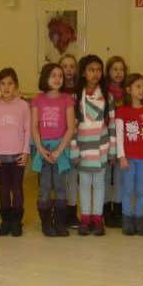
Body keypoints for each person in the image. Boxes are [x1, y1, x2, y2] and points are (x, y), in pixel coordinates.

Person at [71, 55, 117, 236]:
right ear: (83, 72)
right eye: (91, 70)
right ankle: (85, 218)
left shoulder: (108, 96)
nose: (95, 73)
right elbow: (72, 127)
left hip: (101, 147)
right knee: (83, 184)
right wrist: (74, 150)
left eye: (98, 70)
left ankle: (97, 219)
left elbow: (112, 124)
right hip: (82, 147)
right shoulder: (75, 97)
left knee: (99, 185)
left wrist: (113, 150)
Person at [32, 63, 76, 236]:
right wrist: (40, 149)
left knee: (60, 185)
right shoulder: (38, 99)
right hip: (43, 149)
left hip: (60, 150)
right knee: (44, 186)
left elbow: (71, 128)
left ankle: (59, 222)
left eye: (60, 75)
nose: (57, 79)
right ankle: (46, 223)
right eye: (53, 75)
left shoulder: (66, 99)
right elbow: (34, 126)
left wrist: (58, 151)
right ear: (45, 78)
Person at [0, 67, 31, 237]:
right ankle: (5, 220)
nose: (6, 87)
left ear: (16, 86)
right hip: (0, 156)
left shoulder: (23, 106)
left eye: (10, 83)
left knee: (17, 188)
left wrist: (26, 151)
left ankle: (16, 221)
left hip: (18, 156)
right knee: (4, 189)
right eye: (3, 84)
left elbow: (28, 130)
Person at [116, 73, 143, 236]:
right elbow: (119, 136)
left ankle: (139, 218)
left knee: (141, 190)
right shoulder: (122, 111)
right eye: (138, 86)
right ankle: (127, 219)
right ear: (128, 89)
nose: (142, 90)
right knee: (127, 190)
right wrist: (121, 156)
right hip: (129, 159)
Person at [103, 55, 128, 228]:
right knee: (105, 176)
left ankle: (118, 210)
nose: (118, 73)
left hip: (123, 141)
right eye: (114, 69)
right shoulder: (103, 92)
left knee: (120, 176)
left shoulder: (128, 92)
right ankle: (105, 210)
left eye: (121, 69)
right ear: (108, 72)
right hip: (104, 140)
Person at [59, 53, 81, 228]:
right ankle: (60, 212)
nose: (68, 70)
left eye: (71, 66)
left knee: (73, 177)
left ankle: (72, 213)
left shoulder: (81, 91)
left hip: (77, 139)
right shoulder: (54, 92)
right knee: (59, 178)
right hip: (58, 139)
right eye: (64, 66)